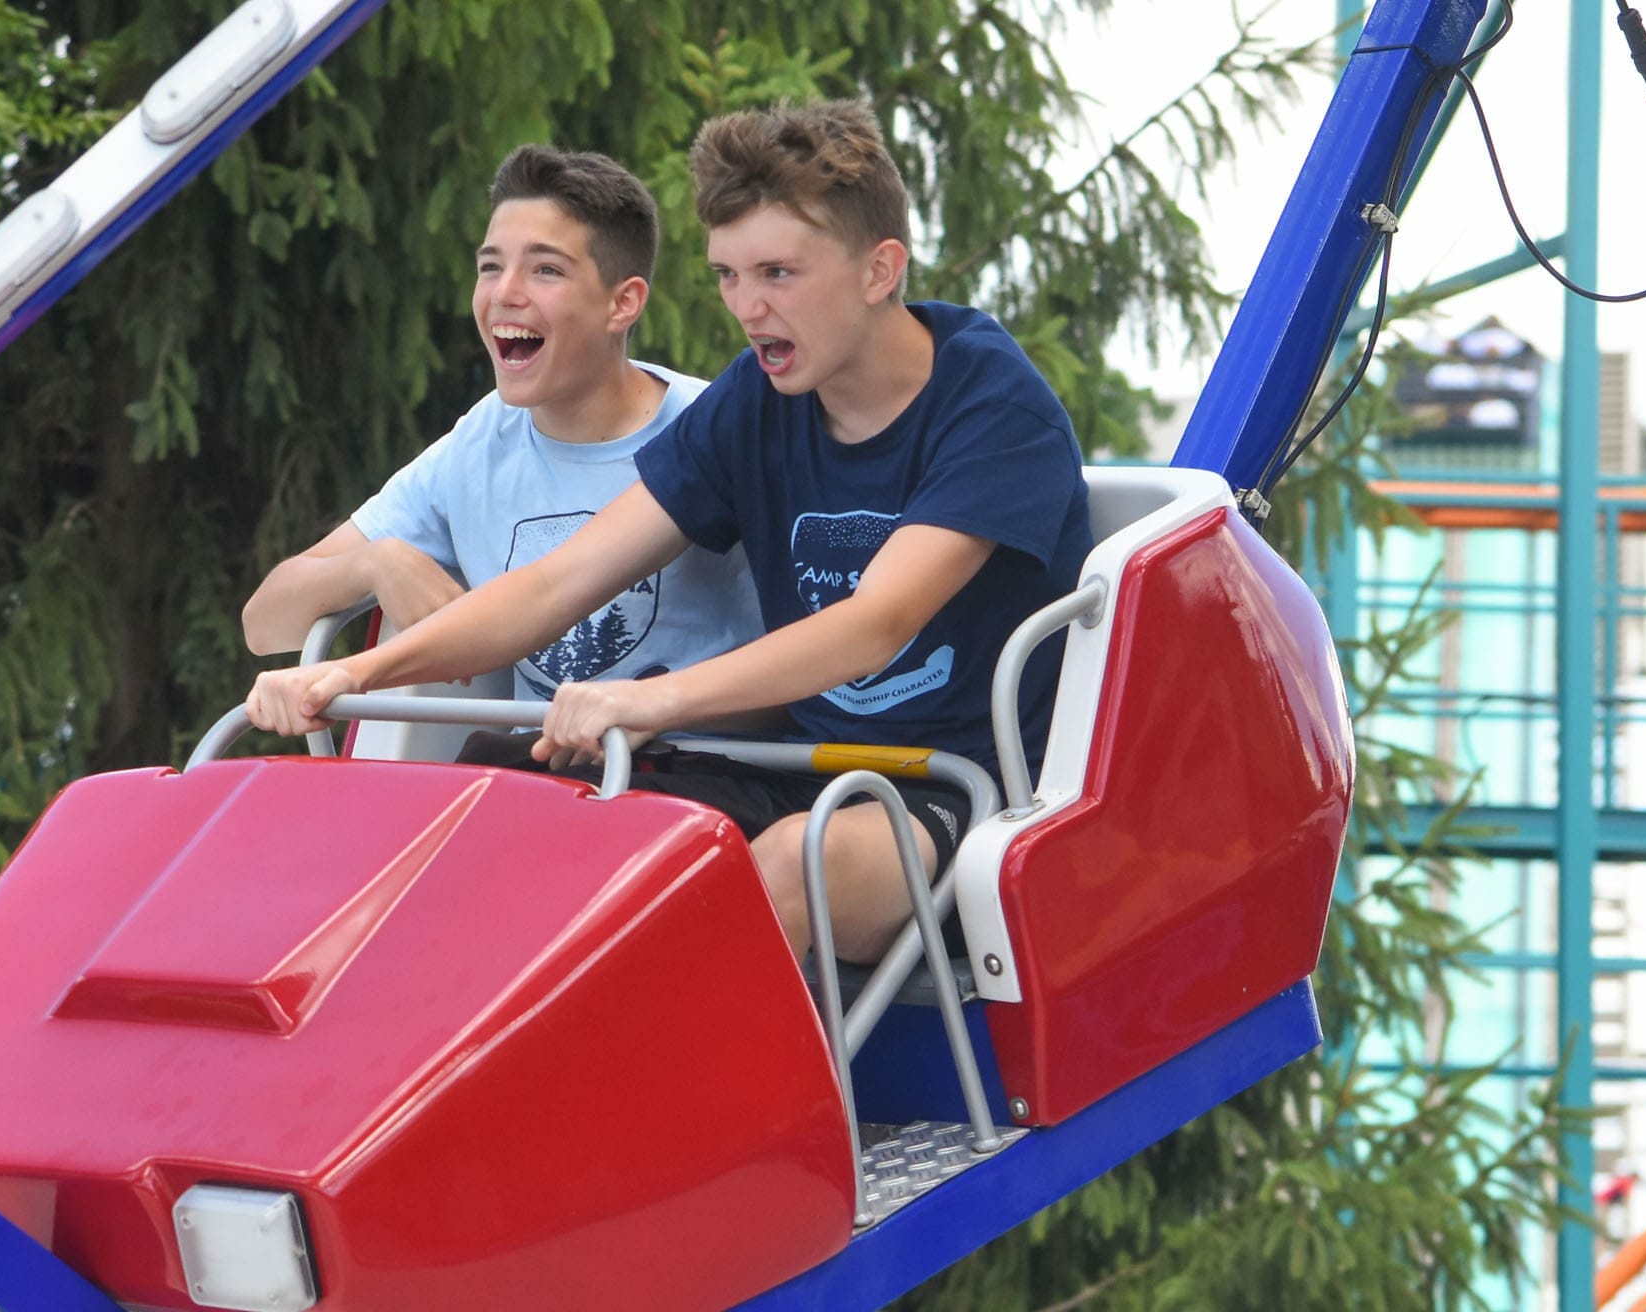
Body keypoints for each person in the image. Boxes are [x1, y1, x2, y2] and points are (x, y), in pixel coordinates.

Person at [249, 102, 1093, 964]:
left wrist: (650, 698)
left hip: (953, 790)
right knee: (493, 830)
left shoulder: (991, 406)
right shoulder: (754, 401)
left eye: (778, 274)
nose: (749, 309)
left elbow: (873, 624)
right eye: (729, 276)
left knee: (789, 869)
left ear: (879, 271)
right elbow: (561, 582)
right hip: (794, 771)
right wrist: (355, 669)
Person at [240, 145, 757, 706]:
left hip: (700, 773)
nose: (504, 294)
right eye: (491, 266)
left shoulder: (710, 430)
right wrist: (375, 561)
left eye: (546, 270)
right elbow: (265, 624)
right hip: (533, 776)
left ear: (622, 303)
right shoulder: (478, 444)